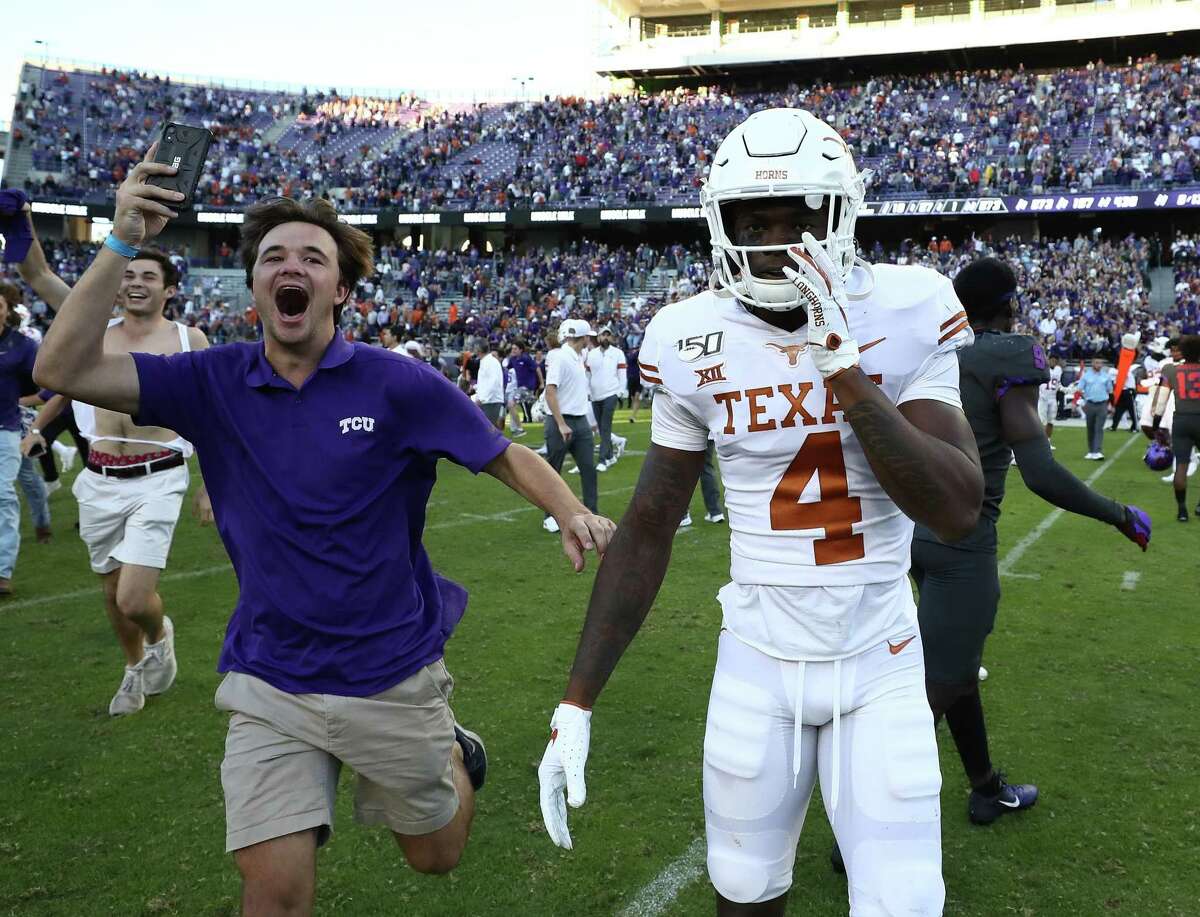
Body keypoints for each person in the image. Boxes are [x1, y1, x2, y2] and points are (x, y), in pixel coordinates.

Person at [35, 154, 614, 914]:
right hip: (270, 674)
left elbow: (503, 452)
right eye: (273, 257)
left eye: (313, 257)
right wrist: (119, 239)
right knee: (272, 890)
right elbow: (62, 364)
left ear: (339, 289)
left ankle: (455, 751)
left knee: (434, 855)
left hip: (390, 670)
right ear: (256, 290)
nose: (291, 267)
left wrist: (569, 507)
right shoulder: (212, 380)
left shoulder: (396, 382)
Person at [537, 108, 986, 917]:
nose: (778, 240)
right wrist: (577, 698)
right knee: (743, 893)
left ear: (840, 213)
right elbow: (646, 528)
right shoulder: (688, 335)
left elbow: (955, 507)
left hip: (878, 653)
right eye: (757, 220)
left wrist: (843, 367)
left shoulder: (909, 304)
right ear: (723, 224)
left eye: (798, 217)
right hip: (758, 658)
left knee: (906, 902)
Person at [910, 257, 1150, 833]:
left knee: (956, 671)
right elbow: (1039, 472)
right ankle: (864, 821)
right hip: (963, 541)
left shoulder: (932, 353)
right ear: (1008, 302)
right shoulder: (1006, 354)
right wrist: (1116, 514)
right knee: (928, 699)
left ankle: (987, 788)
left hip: (911, 532)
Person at [25, 249, 214, 716]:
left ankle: (158, 634)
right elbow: (65, 385)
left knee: (133, 596)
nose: (135, 282)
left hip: (158, 478)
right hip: (99, 478)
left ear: (169, 289)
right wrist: (36, 429)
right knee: (111, 593)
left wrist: (210, 485)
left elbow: (212, 416)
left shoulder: (189, 341)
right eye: (128, 274)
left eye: (148, 276)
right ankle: (134, 668)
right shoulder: (97, 335)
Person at [0, 280, 40, 595]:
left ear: (7, 310)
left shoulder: (22, 346)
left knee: (3, 497)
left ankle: (2, 571)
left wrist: (25, 402)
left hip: (5, 430)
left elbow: (45, 382)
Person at [541, 319, 597, 533]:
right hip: (560, 422)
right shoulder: (561, 358)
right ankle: (550, 516)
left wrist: (587, 421)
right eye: (587, 337)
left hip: (579, 420)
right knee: (552, 472)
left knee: (588, 469)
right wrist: (561, 424)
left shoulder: (577, 357)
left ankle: (591, 512)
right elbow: (550, 391)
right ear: (583, 338)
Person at [1152, 334, 1200, 522]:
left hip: (1181, 420)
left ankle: (1182, 510)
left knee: (1181, 465)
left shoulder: (1170, 370)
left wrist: (1156, 424)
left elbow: (1162, 401)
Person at [583, 324, 626, 470]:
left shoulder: (618, 353)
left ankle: (602, 460)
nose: (605, 337)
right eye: (603, 335)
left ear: (611, 337)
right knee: (601, 428)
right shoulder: (592, 354)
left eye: (608, 335)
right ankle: (610, 456)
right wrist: (588, 391)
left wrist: (620, 391)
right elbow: (587, 375)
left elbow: (622, 374)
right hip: (595, 395)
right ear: (599, 337)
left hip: (610, 394)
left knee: (605, 426)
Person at [677, 440, 724, 528]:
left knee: (683, 467)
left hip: (689, 431)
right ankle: (715, 512)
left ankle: (683, 515)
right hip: (707, 430)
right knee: (706, 467)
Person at [1079, 358, 1114, 459]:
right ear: (1092, 363)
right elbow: (1080, 389)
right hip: (1089, 404)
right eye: (1097, 363)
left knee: (1099, 428)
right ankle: (1091, 451)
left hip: (1102, 404)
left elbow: (1110, 391)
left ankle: (1097, 451)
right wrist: (1084, 400)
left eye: (1101, 363)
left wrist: (1112, 405)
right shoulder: (1086, 376)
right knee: (1090, 428)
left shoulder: (1106, 376)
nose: (1099, 365)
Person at [473, 340, 506, 432]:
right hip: (487, 400)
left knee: (488, 430)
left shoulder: (490, 362)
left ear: (478, 349)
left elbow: (493, 382)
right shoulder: (485, 361)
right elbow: (486, 382)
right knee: (486, 430)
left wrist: (483, 398)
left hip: (491, 401)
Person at [1037, 354, 1062, 449]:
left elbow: (1058, 383)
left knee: (1051, 421)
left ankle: (1047, 441)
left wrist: (1063, 388)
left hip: (1053, 398)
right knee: (1042, 422)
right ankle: (1041, 442)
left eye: (1055, 361)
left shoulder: (1058, 369)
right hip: (1042, 398)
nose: (1053, 362)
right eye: (1051, 360)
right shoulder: (1042, 368)